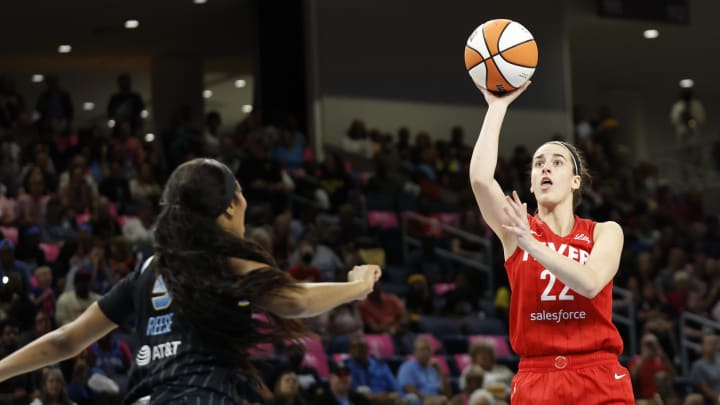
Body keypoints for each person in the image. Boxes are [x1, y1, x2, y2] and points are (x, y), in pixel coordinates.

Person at [0, 158, 381, 404]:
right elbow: (295, 300)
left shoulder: (149, 269)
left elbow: (65, 339)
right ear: (231, 204)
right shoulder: (225, 261)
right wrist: (358, 286)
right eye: (242, 193)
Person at [468, 82, 634, 404]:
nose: (545, 166)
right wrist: (497, 107)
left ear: (575, 181)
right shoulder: (516, 228)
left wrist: (533, 246)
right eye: (538, 163)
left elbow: (589, 283)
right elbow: (479, 179)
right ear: (532, 184)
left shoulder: (604, 232)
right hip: (536, 377)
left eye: (557, 162)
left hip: (598, 374)